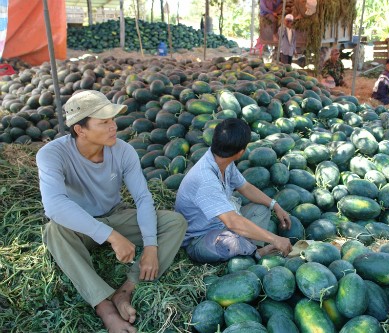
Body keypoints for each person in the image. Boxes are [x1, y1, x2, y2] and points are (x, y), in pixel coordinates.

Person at [36, 90, 187, 333]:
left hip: (115, 215)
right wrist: (112, 237)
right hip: (79, 226)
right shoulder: (51, 154)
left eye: (112, 120)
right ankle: (104, 308)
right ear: (80, 130)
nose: (113, 127)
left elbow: (142, 198)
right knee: (54, 231)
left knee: (175, 223)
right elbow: (54, 206)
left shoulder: (123, 150)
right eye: (103, 122)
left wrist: (150, 246)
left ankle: (125, 291)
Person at [175, 118, 294, 264]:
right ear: (241, 152)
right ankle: (256, 253)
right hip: (200, 240)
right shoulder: (205, 180)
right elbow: (232, 222)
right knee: (232, 242)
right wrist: (274, 239)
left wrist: (275, 206)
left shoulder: (223, 162)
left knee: (262, 209)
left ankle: (252, 250)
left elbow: (245, 187)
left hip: (221, 225)